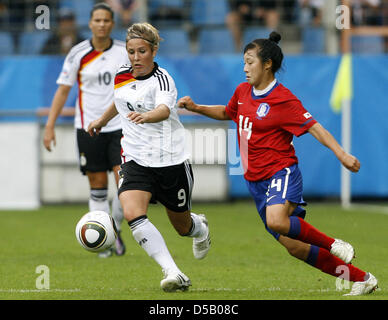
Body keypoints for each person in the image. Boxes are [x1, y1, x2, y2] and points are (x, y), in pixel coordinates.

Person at [177, 32, 378, 296]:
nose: (245, 67)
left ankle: (333, 244)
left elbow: (315, 128)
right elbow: (229, 112)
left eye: (250, 62)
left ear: (267, 63)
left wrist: (342, 154)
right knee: (294, 246)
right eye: (244, 62)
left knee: (277, 221)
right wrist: (196, 107)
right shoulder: (242, 92)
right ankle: (363, 279)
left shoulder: (283, 99)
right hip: (255, 181)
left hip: (281, 171)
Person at [87, 22, 211, 292]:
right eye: (131, 52)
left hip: (170, 161)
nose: (135, 58)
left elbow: (165, 110)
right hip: (135, 158)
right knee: (133, 213)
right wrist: (101, 120)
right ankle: (173, 272)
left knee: (182, 226)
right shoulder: (123, 74)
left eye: (141, 51)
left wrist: (147, 115)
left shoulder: (163, 79)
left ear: (153, 51)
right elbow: (119, 101)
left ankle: (200, 228)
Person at [42, 2, 127, 258]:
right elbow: (63, 89)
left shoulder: (124, 52)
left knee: (126, 186)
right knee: (97, 185)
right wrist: (50, 125)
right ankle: (103, 243)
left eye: (106, 20)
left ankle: (114, 230)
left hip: (120, 126)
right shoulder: (78, 53)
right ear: (90, 24)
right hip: (88, 128)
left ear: (112, 24)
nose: (102, 24)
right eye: (97, 20)